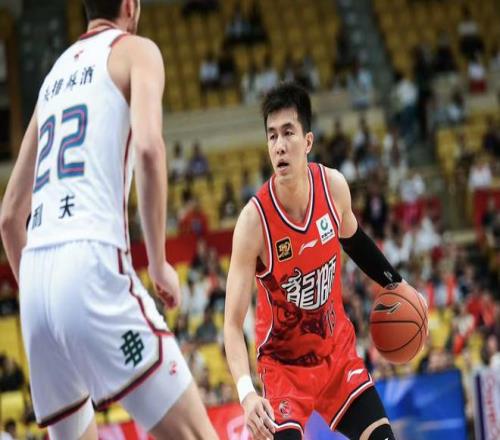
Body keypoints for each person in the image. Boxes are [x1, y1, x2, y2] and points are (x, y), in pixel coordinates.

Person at [0, 1, 217, 439]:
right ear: (131, 5)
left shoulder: (53, 77)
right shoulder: (136, 51)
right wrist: (158, 263)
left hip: (35, 285)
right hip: (90, 262)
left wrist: (46, 300)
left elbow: (8, 216)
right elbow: (150, 149)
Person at [224, 83, 414, 440]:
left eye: (288, 133)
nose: (279, 145)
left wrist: (398, 284)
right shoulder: (253, 222)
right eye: (272, 136)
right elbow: (232, 325)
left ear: (308, 141)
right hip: (284, 368)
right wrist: (247, 394)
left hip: (336, 356)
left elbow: (355, 241)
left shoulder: (333, 187)